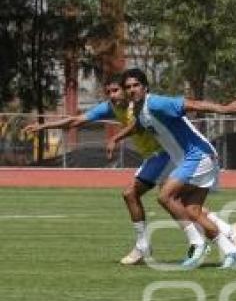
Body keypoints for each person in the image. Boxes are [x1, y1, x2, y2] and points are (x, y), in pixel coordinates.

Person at [23, 75, 220, 265]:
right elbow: (76, 120)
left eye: (117, 90)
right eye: (108, 91)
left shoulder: (143, 106)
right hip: (156, 157)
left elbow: (144, 123)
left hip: (165, 155)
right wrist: (44, 126)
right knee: (182, 204)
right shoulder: (110, 108)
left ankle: (173, 244)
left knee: (143, 195)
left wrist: (115, 138)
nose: (113, 95)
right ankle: (227, 233)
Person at [109, 68, 236, 268]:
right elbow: (139, 125)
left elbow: (192, 104)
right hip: (195, 158)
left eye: (136, 85)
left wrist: (224, 109)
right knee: (193, 212)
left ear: (145, 87)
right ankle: (230, 251)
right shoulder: (139, 110)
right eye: (128, 87)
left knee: (165, 196)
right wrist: (116, 137)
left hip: (198, 155)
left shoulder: (156, 103)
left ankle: (197, 243)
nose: (132, 90)